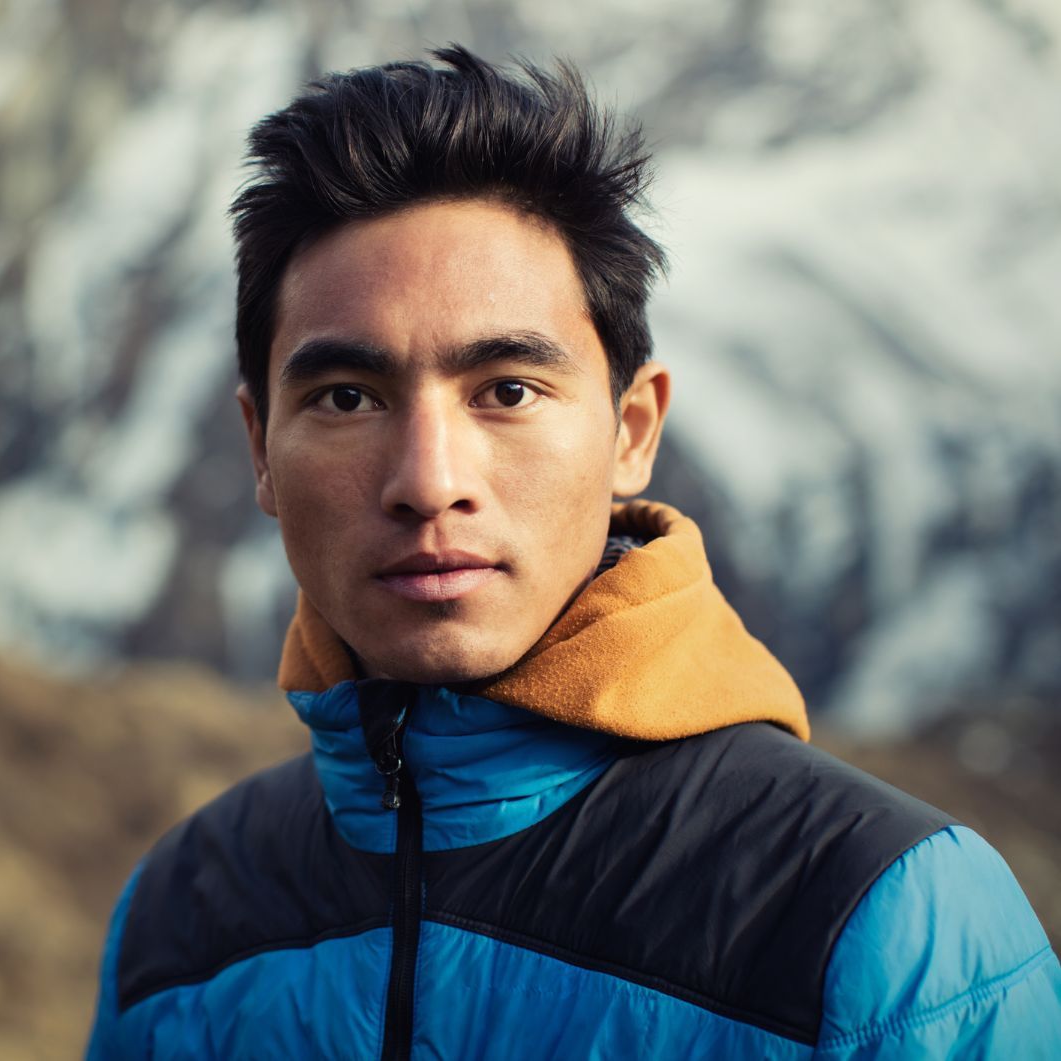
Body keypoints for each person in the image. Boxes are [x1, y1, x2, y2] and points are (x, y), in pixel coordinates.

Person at [86, 45, 1061, 1059]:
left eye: (506, 389)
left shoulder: (890, 922)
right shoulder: (178, 923)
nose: (428, 477)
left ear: (631, 430)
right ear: (258, 447)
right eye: (347, 397)